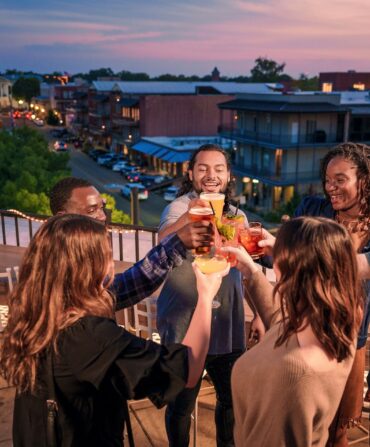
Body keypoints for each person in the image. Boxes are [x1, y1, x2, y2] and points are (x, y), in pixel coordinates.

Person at [0, 214, 228, 446]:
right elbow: (185, 369)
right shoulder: (89, 336)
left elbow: (133, 282)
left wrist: (176, 242)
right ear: (86, 267)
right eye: (106, 256)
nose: (111, 265)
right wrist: (206, 296)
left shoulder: (37, 308)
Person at [223, 217, 363, 447]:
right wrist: (250, 270)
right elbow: (281, 322)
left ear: (294, 271)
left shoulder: (291, 375)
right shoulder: (340, 322)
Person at [157, 144, 254, 447]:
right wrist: (197, 210)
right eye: (203, 168)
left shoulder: (238, 216)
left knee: (230, 403)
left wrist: (261, 315)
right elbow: (163, 240)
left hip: (228, 325)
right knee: (181, 404)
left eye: (218, 169)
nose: (211, 175)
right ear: (191, 173)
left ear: (228, 175)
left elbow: (247, 268)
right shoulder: (179, 207)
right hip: (185, 325)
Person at [294, 142, 370, 447]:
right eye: (328, 180)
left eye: (340, 179)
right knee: (303, 424)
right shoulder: (313, 209)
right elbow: (285, 258)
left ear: (365, 180)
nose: (330, 188)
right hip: (304, 332)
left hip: (349, 343)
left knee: (338, 429)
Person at [49, 177, 215, 311]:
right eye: (92, 210)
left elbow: (121, 288)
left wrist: (176, 243)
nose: (102, 216)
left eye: (102, 208)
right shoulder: (60, 267)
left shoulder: (70, 254)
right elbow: (116, 293)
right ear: (61, 217)